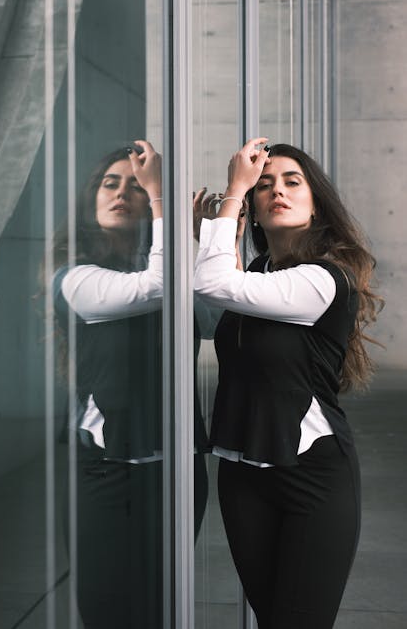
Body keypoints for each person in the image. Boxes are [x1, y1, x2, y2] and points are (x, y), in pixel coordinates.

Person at [194, 137, 383, 629]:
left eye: (292, 181)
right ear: (254, 210)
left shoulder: (325, 278)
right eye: (263, 185)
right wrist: (208, 236)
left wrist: (233, 190)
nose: (277, 190)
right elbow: (203, 311)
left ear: (315, 200)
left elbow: (217, 285)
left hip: (312, 480)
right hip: (243, 477)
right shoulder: (256, 273)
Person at [53, 140, 208, 629]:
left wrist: (201, 244)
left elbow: (217, 309)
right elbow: (157, 286)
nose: (122, 192)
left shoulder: (170, 269)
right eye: (109, 183)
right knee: (107, 612)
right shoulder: (75, 279)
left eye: (136, 186)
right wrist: (165, 201)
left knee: (160, 611)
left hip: (177, 474)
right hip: (104, 474)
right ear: (91, 199)